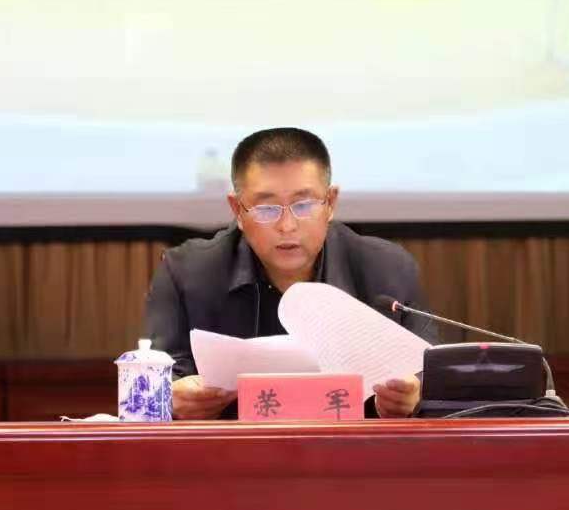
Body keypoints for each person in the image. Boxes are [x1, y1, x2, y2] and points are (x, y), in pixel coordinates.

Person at [144, 127, 435, 420]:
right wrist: (172, 398)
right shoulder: (187, 274)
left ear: (331, 203)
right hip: (233, 448)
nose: (287, 226)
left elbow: (433, 381)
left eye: (304, 205)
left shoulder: (387, 269)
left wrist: (410, 400)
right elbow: (157, 382)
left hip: (354, 448)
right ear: (238, 210)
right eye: (266, 209)